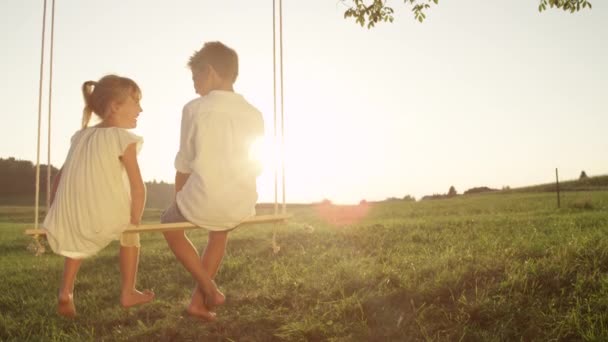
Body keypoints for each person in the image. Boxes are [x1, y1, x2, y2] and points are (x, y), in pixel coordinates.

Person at [161, 41, 264, 321]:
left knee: (170, 225)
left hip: (204, 199)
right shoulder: (255, 113)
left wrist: (179, 200)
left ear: (209, 72)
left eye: (195, 78)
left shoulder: (194, 109)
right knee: (219, 232)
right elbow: (256, 162)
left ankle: (208, 288)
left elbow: (184, 162)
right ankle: (198, 302)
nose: (194, 85)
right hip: (240, 202)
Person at [43, 75, 154, 317]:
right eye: (135, 102)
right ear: (115, 106)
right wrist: (135, 220)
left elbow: (59, 178)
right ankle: (128, 291)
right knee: (130, 233)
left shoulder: (79, 137)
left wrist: (55, 211)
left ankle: (66, 291)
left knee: (77, 241)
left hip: (71, 217)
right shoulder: (123, 138)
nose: (140, 109)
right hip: (104, 217)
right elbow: (138, 186)